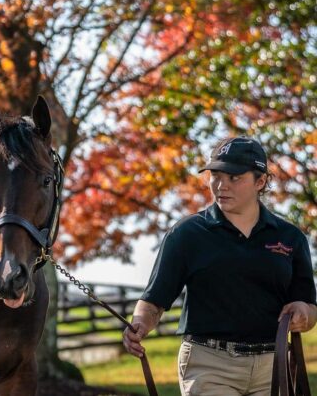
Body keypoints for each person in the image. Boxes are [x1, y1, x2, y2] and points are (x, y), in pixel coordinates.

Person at [123, 137, 317, 396]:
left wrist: (303, 312)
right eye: (215, 175)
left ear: (261, 182)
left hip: (273, 368)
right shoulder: (187, 233)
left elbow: (310, 309)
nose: (221, 185)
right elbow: (154, 299)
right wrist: (140, 324)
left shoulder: (291, 237)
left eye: (234, 178)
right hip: (209, 365)